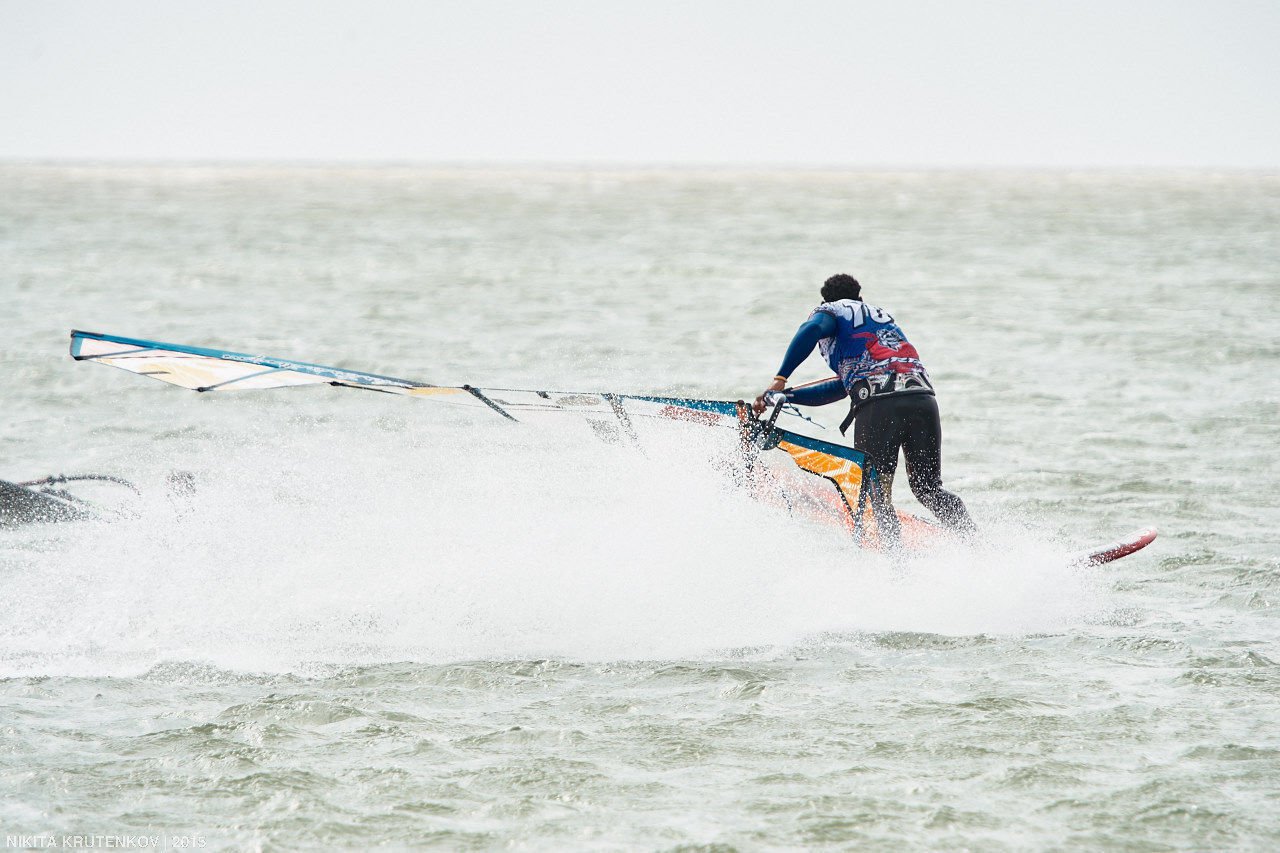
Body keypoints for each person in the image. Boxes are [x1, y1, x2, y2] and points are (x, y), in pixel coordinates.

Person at [753, 273, 975, 541]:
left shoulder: (831, 310)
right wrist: (787, 397)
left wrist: (780, 379)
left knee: (875, 495)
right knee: (928, 489)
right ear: (860, 298)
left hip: (881, 407)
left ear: (825, 301)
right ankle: (975, 543)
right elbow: (841, 388)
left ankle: (895, 560)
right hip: (922, 400)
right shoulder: (881, 319)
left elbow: (811, 329)